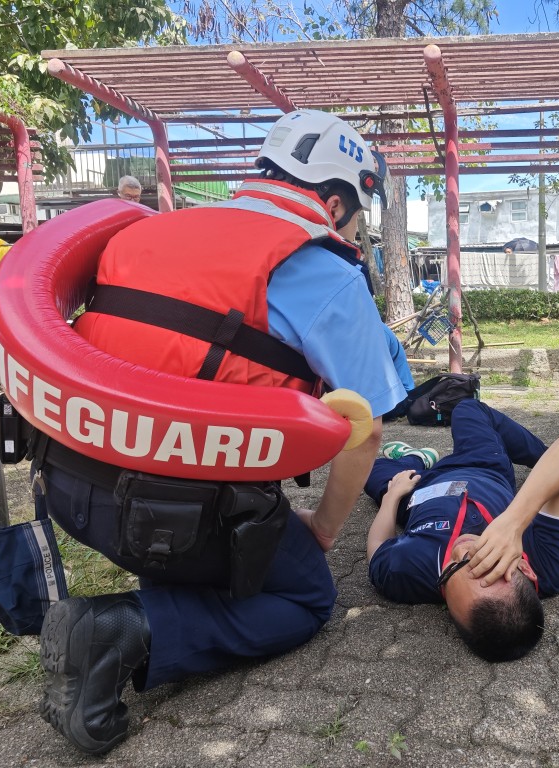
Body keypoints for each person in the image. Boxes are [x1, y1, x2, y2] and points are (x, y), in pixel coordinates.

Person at [33, 109, 404, 754]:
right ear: (336, 199)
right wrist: (319, 528)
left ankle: (142, 590)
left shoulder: (153, 227)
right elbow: (365, 429)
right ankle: (121, 630)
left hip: (68, 486)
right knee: (309, 596)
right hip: (171, 514)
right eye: (356, 213)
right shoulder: (324, 269)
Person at [364, 400, 559, 662]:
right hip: (483, 467)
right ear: (525, 569)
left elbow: (378, 547)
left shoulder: (405, 574)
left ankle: (417, 458)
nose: (460, 550)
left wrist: (392, 498)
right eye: (485, 560)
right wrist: (513, 523)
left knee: (367, 470)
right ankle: (540, 458)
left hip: (416, 492)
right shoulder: (548, 566)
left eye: (450, 572)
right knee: (467, 408)